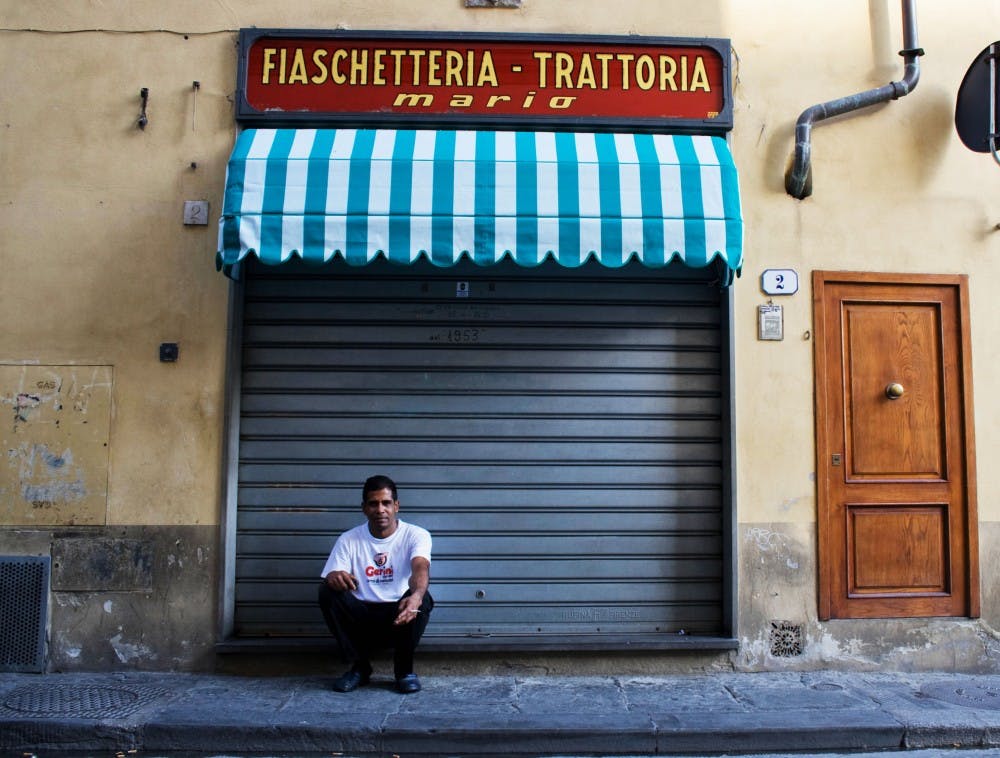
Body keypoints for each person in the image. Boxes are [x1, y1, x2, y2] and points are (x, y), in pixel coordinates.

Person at [317, 474, 433, 694]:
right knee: (327, 592)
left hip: (398, 616)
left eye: (386, 503)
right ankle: (359, 669)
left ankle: (404, 672)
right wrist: (334, 577)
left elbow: (420, 567)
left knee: (423, 597)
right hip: (362, 617)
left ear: (396, 506)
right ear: (364, 508)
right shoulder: (348, 539)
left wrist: (416, 596)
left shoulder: (416, 534)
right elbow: (332, 575)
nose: (380, 509)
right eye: (373, 503)